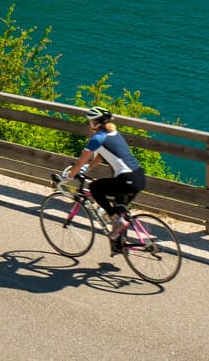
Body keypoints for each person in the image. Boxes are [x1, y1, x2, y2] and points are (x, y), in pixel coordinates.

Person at [61, 106, 147, 253]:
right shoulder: (113, 133)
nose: (89, 124)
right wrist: (89, 168)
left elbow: (80, 162)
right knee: (119, 208)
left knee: (95, 188)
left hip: (126, 179)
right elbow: (101, 156)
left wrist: (68, 177)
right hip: (138, 176)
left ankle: (117, 221)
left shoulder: (97, 138)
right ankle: (120, 245)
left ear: (95, 123)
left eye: (90, 121)